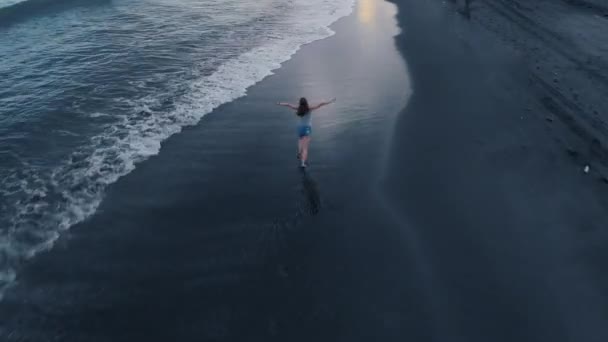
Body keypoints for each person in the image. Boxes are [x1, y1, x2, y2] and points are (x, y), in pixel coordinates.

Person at [276, 97, 336, 168]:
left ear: (300, 103)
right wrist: (330, 101)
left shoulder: (298, 108)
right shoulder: (309, 108)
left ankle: (299, 152)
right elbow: (321, 104)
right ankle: (303, 163)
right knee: (305, 148)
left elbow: (288, 105)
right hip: (307, 128)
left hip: (300, 128)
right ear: (306, 102)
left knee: (300, 140)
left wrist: (279, 103)